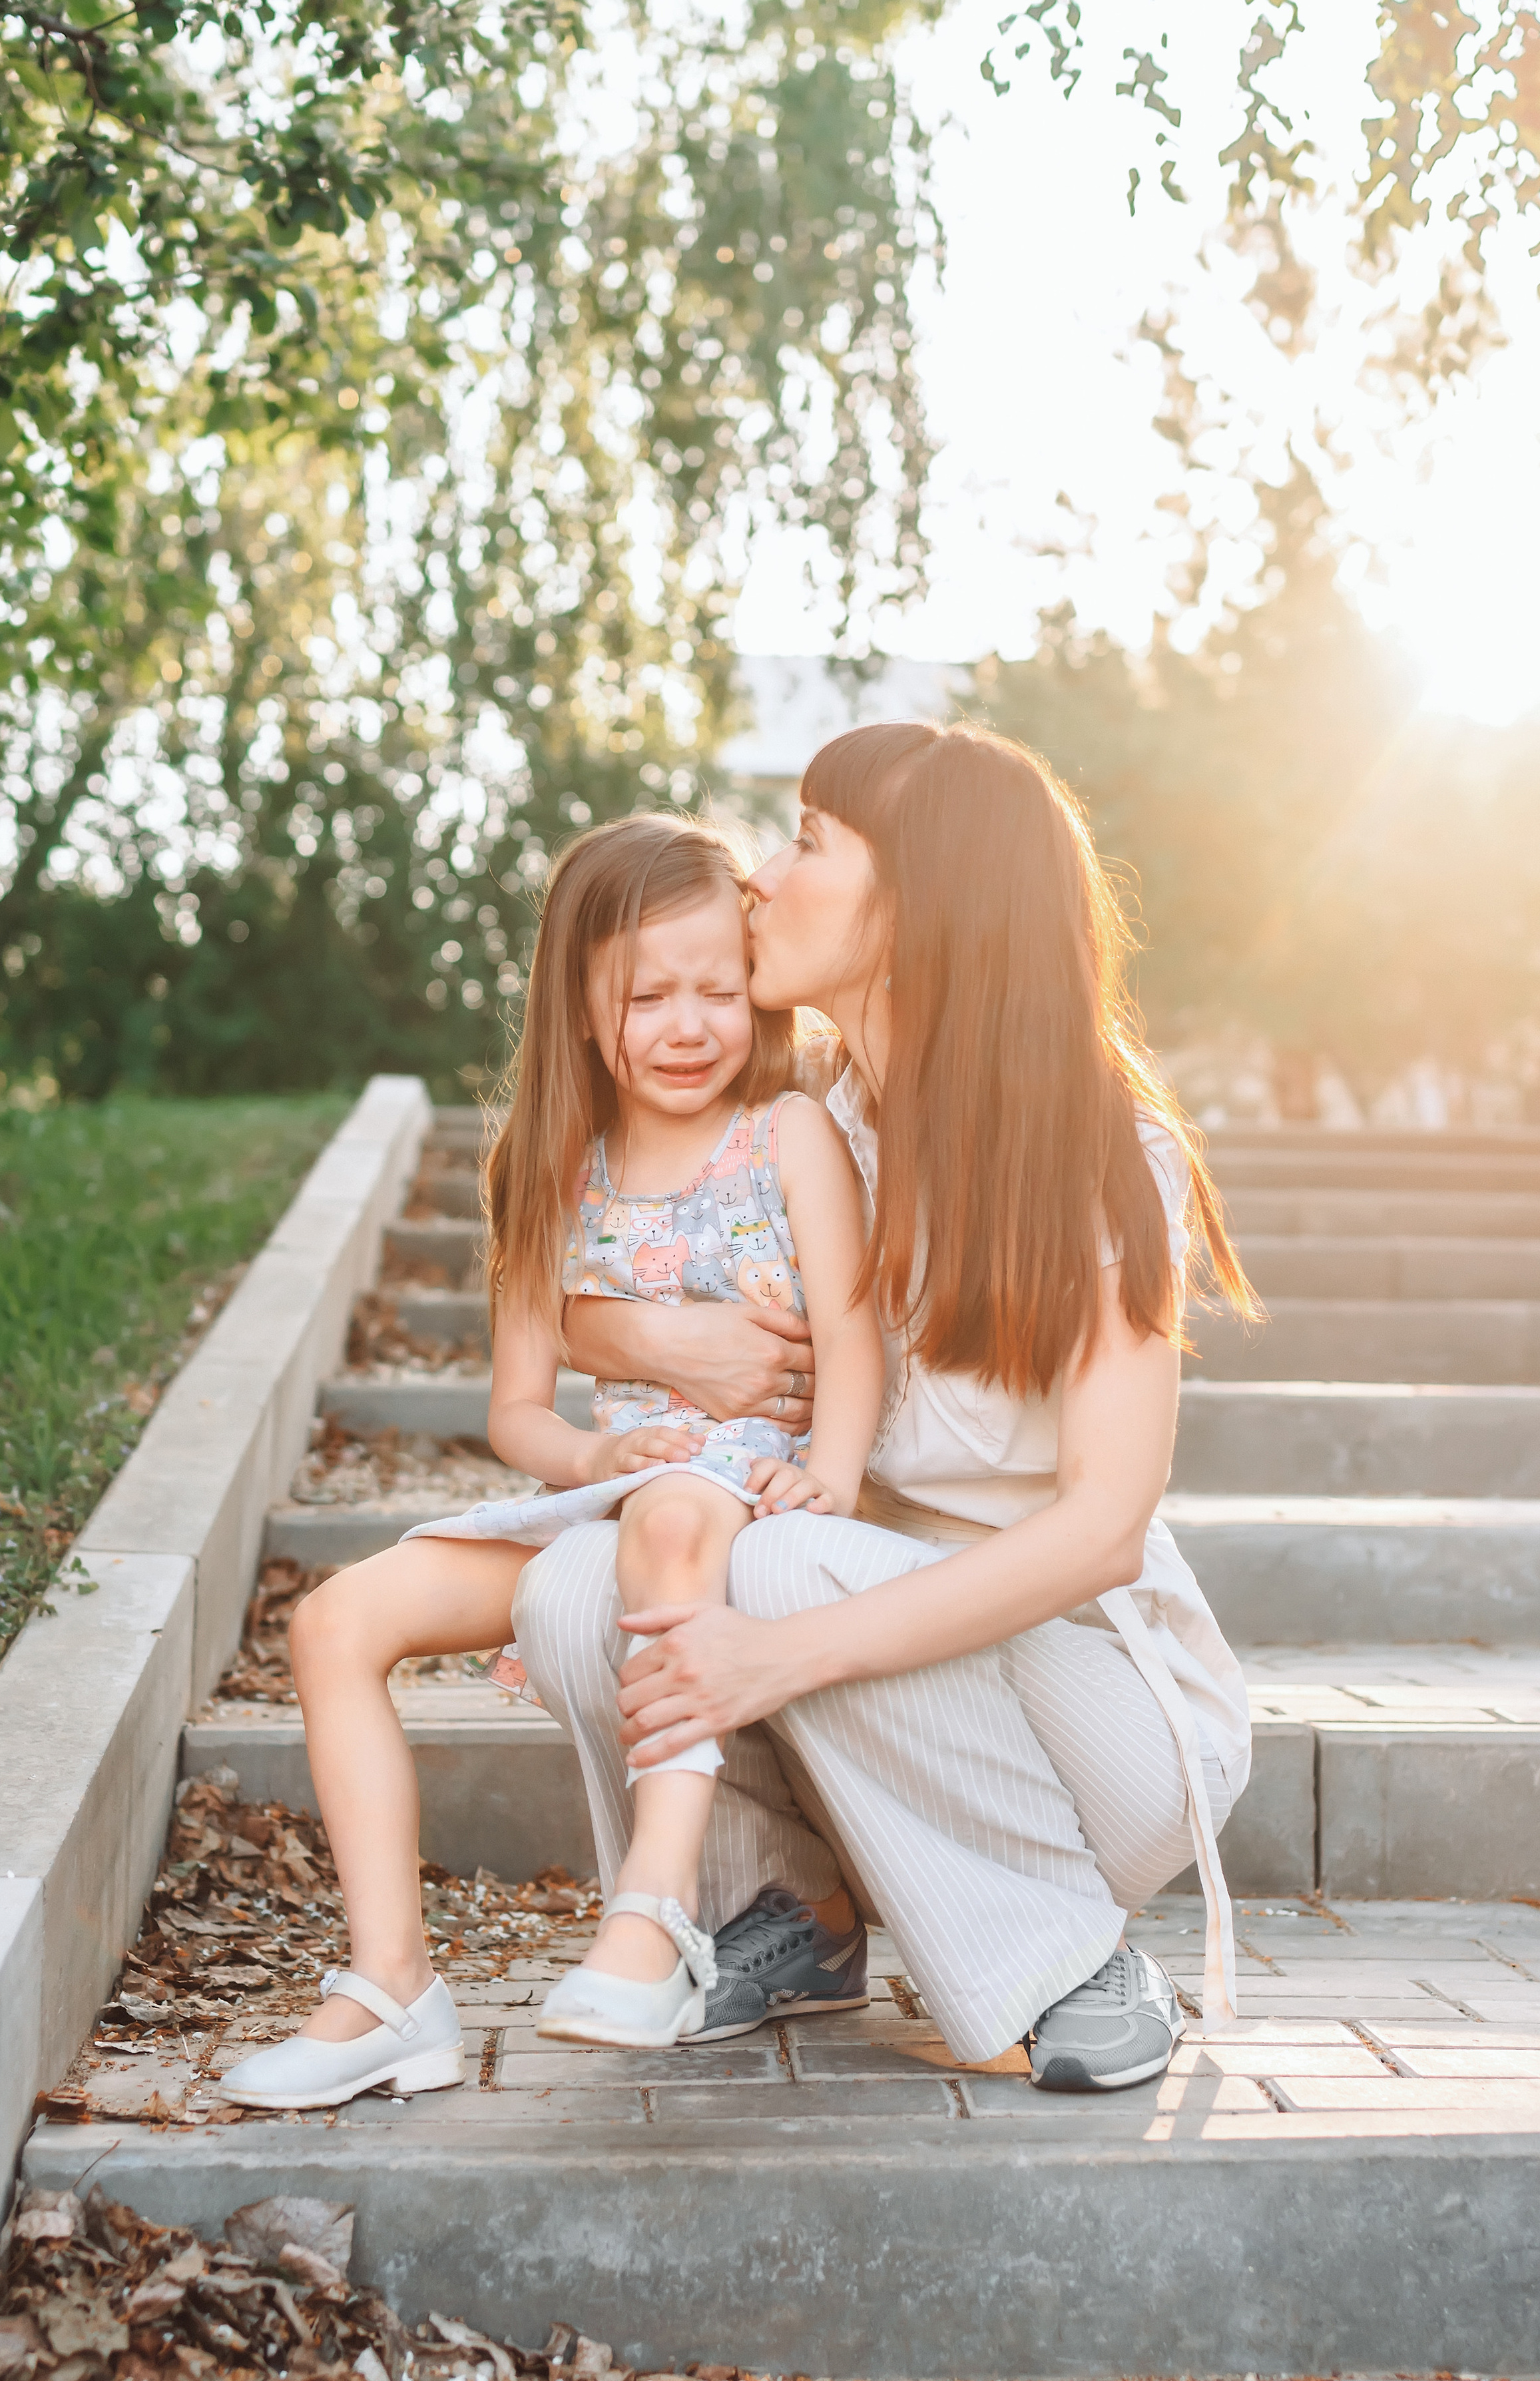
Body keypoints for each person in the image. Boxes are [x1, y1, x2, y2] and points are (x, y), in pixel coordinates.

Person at [511, 721, 1261, 2091]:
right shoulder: (805, 1127)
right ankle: (783, 1915)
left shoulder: (1100, 1155)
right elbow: (590, 1259)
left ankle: (1068, 1954)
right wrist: (622, 1325)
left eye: (804, 840)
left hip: (1093, 1715)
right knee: (572, 1586)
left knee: (785, 1562)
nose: (757, 880)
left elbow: (1100, 1530)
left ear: (917, 895)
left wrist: (782, 1655)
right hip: (861, 1692)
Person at [219, 814, 882, 2107]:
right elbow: (516, 1410)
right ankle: (390, 1984)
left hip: (742, 1491)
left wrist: (838, 1474)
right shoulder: (550, 1168)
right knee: (333, 1621)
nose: (686, 1025)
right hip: (610, 1487)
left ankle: (651, 1919)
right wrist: (591, 1443)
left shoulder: (786, 1136)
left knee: (676, 1515)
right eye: (646, 995)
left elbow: (851, 1332)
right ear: (582, 1005)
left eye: (715, 989)